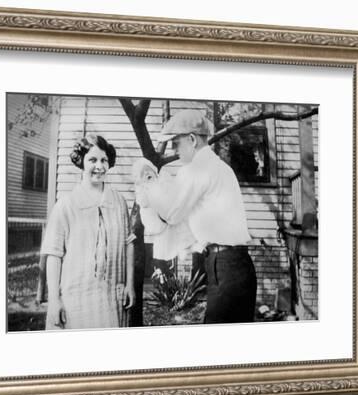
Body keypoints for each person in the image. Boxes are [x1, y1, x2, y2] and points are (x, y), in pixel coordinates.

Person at [138, 110, 257, 323]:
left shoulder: (197, 168)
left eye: (176, 144)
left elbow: (172, 213)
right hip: (239, 265)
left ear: (192, 140)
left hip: (224, 265)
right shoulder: (221, 167)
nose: (175, 151)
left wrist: (148, 185)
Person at [41, 134, 135, 330]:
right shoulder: (66, 205)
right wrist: (54, 300)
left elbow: (128, 245)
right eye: (92, 160)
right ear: (81, 163)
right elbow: (54, 255)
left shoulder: (119, 202)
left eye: (104, 160)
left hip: (112, 297)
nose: (99, 166)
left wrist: (130, 284)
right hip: (76, 298)